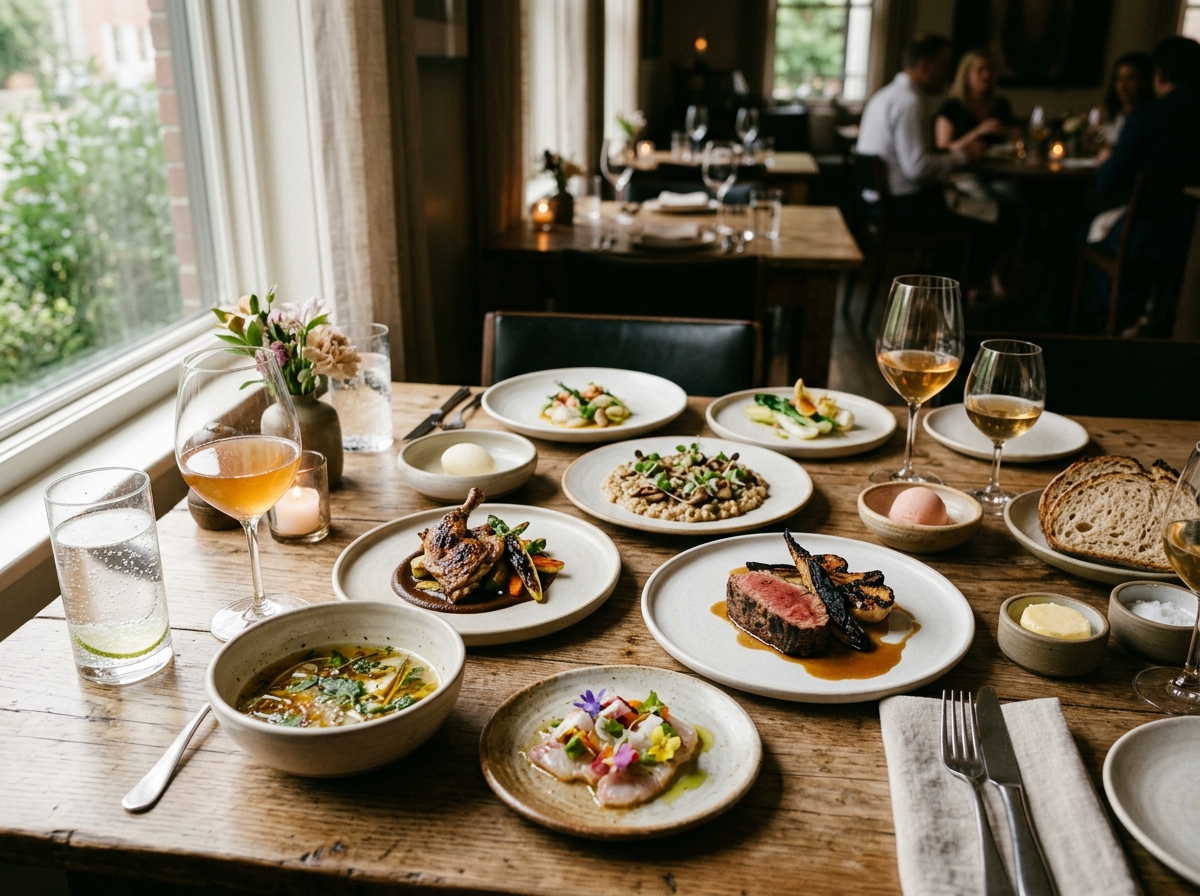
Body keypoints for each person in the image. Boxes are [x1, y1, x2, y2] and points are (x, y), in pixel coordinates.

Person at [1087, 36, 1200, 334]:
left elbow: (1107, 184)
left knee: (1082, 231)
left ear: (1158, 75)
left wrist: (1108, 161)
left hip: (1147, 235)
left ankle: (1116, 318)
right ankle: (1147, 316)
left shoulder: (1148, 117)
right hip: (1192, 238)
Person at [857, 34, 984, 233]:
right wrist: (963, 156)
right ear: (924, 67)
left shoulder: (884, 96)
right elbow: (917, 169)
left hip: (877, 204)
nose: (947, 75)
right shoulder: (910, 102)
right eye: (943, 66)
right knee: (995, 215)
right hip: (902, 208)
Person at [935, 49, 1016, 151]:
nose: (987, 75)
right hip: (963, 161)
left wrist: (1003, 131)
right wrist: (978, 132)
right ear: (966, 74)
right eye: (980, 69)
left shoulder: (1000, 104)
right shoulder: (950, 107)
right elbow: (944, 148)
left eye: (991, 69)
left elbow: (1018, 137)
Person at [1098, 52, 1154, 147]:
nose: (1122, 86)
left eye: (1130, 78)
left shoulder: (1151, 117)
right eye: (1118, 78)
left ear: (1144, 80)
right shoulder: (1109, 114)